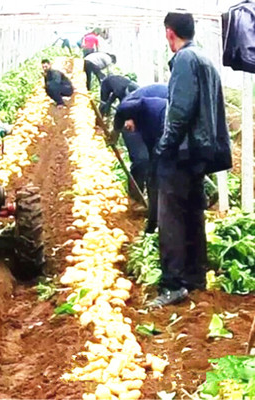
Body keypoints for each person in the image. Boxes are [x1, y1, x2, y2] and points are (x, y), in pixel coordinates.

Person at [149, 12, 232, 307]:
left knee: (170, 216)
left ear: (170, 33)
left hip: (183, 151)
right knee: (193, 212)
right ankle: (196, 276)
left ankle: (173, 283)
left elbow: (181, 111)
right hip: (200, 151)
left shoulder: (184, 60)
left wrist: (164, 147)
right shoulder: (205, 58)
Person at [115, 85, 168, 233]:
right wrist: (126, 120)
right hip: (133, 121)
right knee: (141, 160)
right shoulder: (167, 95)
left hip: (151, 125)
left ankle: (154, 205)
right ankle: (135, 199)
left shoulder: (181, 103)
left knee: (154, 166)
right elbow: (126, 106)